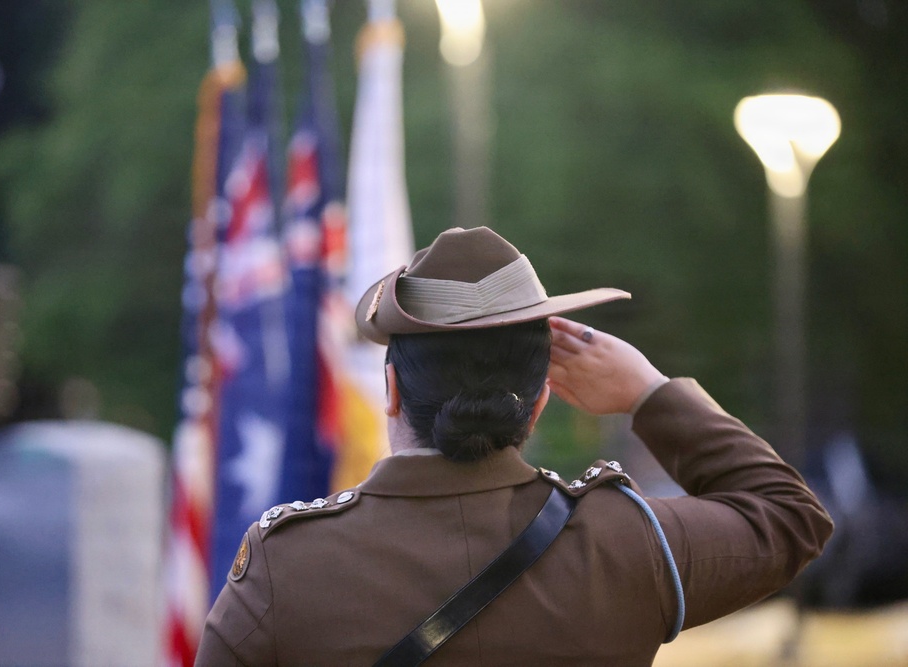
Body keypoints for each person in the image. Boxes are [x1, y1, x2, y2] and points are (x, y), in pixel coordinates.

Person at [196, 226, 833, 666]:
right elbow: (790, 515)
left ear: (390, 390)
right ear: (541, 399)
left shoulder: (285, 567)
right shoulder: (628, 544)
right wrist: (650, 393)